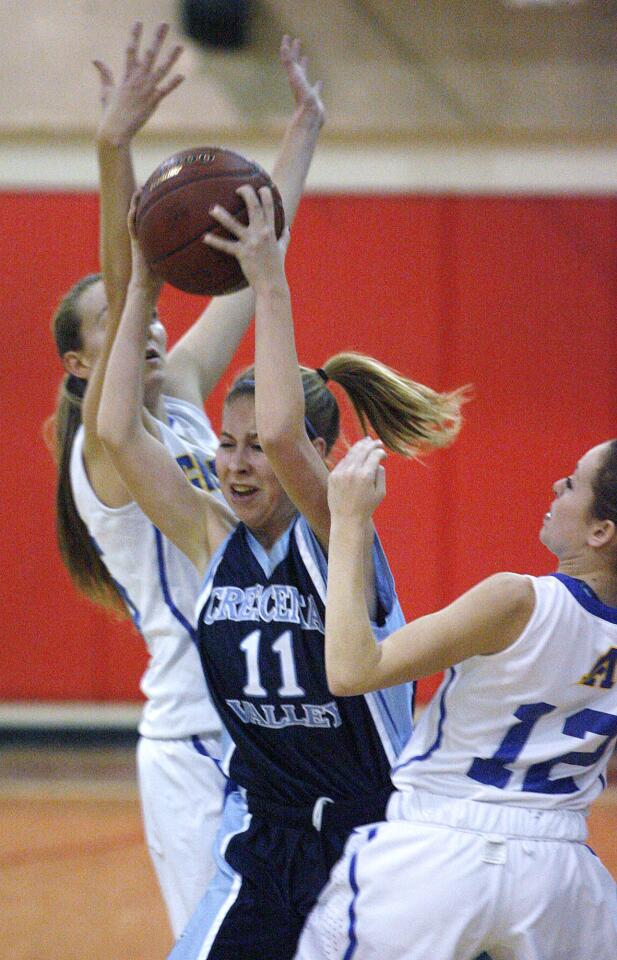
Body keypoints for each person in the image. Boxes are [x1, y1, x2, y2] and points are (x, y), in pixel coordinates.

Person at [96, 179, 467, 959]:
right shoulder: (209, 538)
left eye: (252, 448)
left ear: (312, 456)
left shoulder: (337, 534)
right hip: (267, 834)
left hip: (373, 838)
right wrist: (144, 284)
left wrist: (269, 281)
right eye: (225, 444)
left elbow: (281, 430)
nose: (234, 462)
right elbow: (119, 433)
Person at [47, 22, 325, 938]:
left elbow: (254, 267)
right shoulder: (103, 441)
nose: (155, 328)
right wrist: (112, 148)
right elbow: (135, 279)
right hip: (194, 742)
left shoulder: (183, 395)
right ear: (87, 364)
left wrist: (301, 135)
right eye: (119, 324)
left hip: (266, 719)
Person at [294, 436, 617, 960]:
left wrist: (349, 519)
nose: (557, 485)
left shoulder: (517, 600)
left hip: (438, 850)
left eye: (574, 482)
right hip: (560, 878)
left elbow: (352, 670)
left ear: (602, 531)